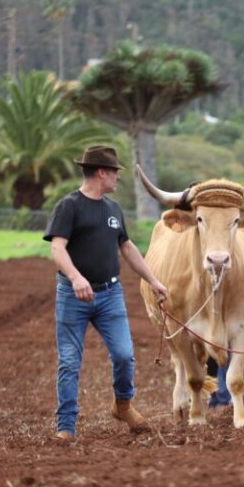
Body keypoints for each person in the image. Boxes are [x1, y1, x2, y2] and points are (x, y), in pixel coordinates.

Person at [44, 145, 168, 443]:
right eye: (114, 172)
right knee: (70, 361)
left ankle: (123, 405)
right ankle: (66, 426)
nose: (117, 178)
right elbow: (57, 247)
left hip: (110, 295)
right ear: (101, 172)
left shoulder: (113, 209)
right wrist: (75, 278)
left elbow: (126, 247)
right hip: (72, 297)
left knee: (125, 355)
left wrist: (153, 279)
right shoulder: (69, 206)